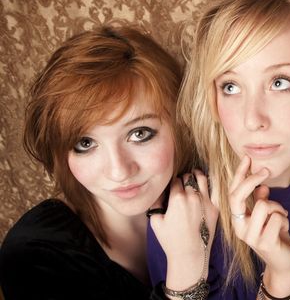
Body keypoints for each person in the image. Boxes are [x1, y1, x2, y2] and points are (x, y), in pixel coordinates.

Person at [147, 0, 290, 299]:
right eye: (230, 87)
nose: (252, 119)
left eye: (280, 83)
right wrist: (280, 277)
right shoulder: (184, 217)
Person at [0, 26, 218, 300]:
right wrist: (186, 273)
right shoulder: (34, 257)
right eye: (85, 144)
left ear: (180, 126)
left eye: (139, 134)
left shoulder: (218, 203)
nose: (118, 171)